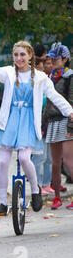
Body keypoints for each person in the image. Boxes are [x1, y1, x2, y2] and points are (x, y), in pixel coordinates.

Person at [0, 30, 73, 216]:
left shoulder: (41, 77)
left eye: (23, 54)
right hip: (8, 122)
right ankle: (2, 202)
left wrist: (70, 111)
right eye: (16, 55)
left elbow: (55, 96)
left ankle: (35, 190)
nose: (19, 58)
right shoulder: (9, 73)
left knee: (25, 158)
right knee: (2, 162)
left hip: (27, 122)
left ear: (30, 56)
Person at [43, 43, 73, 209]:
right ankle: (56, 197)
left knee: (69, 161)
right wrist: (43, 123)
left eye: (56, 57)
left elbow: (71, 101)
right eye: (51, 57)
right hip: (52, 122)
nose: (52, 60)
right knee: (55, 163)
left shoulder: (70, 77)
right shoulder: (48, 77)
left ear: (65, 59)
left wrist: (70, 125)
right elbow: (47, 104)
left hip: (67, 121)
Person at [30, 44, 54, 195]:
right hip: (38, 125)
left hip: (47, 124)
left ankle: (46, 183)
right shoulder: (32, 84)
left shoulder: (47, 83)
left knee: (49, 158)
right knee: (40, 157)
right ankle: (37, 185)